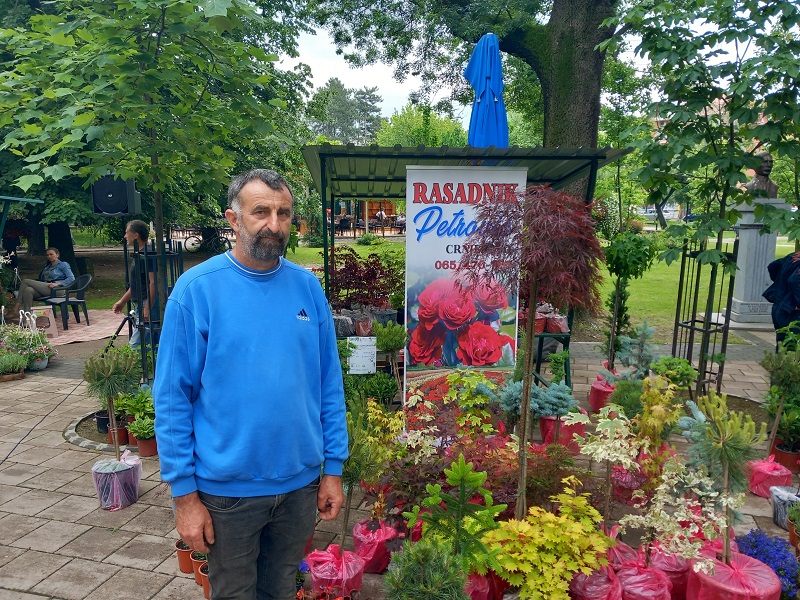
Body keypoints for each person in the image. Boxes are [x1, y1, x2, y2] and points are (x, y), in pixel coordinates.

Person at [153, 168, 348, 599]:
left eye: (283, 213)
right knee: (234, 593)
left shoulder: (307, 288)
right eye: (261, 211)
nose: (274, 224)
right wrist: (184, 497)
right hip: (227, 494)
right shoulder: (196, 291)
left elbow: (328, 385)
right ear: (233, 218)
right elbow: (171, 400)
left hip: (299, 488)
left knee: (280, 588)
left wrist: (332, 469)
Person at [112, 220, 156, 348]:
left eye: (127, 233)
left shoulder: (147, 254)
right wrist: (122, 301)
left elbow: (154, 283)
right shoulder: (139, 254)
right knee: (149, 343)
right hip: (141, 303)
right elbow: (136, 285)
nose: (125, 236)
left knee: (135, 346)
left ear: (136, 235)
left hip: (146, 303)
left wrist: (147, 308)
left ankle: (133, 367)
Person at [12, 247, 75, 314]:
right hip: (46, 287)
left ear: (57, 255)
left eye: (51, 254)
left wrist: (57, 284)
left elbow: (71, 278)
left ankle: (16, 308)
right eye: (47, 255)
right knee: (28, 290)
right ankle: (28, 315)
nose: (49, 256)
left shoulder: (63, 265)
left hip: (58, 289)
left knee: (25, 281)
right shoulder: (47, 267)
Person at [763, 251, 800, 344]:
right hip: (792, 312)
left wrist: (781, 286)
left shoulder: (793, 256)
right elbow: (794, 280)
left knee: (781, 348)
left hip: (779, 306)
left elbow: (773, 266)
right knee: (792, 349)